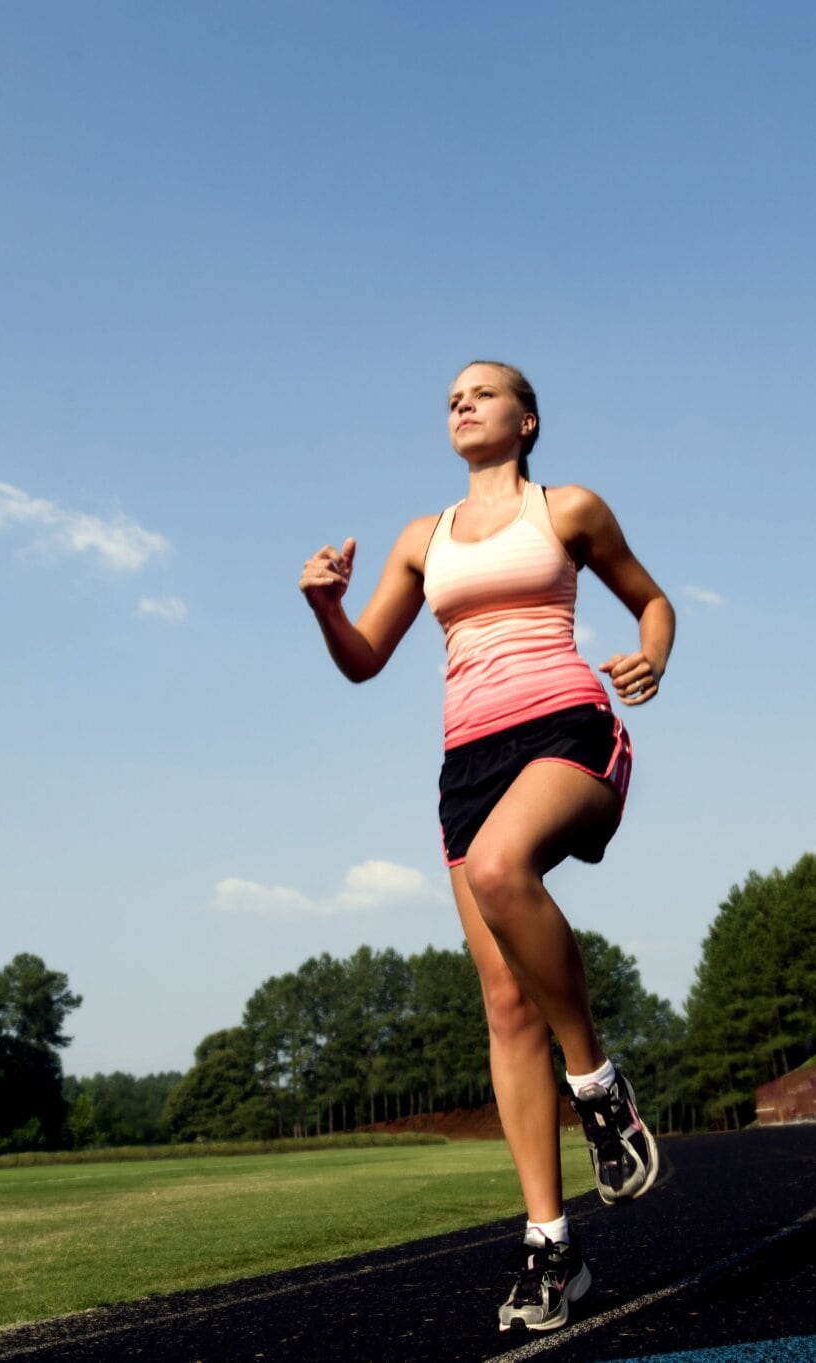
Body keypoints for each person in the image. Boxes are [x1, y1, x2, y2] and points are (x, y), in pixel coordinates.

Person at [299, 360, 675, 1333]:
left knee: (506, 868)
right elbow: (364, 659)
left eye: (483, 391)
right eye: (451, 396)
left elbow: (651, 598)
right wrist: (325, 607)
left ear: (527, 418)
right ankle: (552, 1248)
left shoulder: (568, 507)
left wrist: (652, 653)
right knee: (505, 1006)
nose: (462, 401)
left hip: (565, 730)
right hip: (465, 763)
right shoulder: (422, 539)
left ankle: (596, 1084)